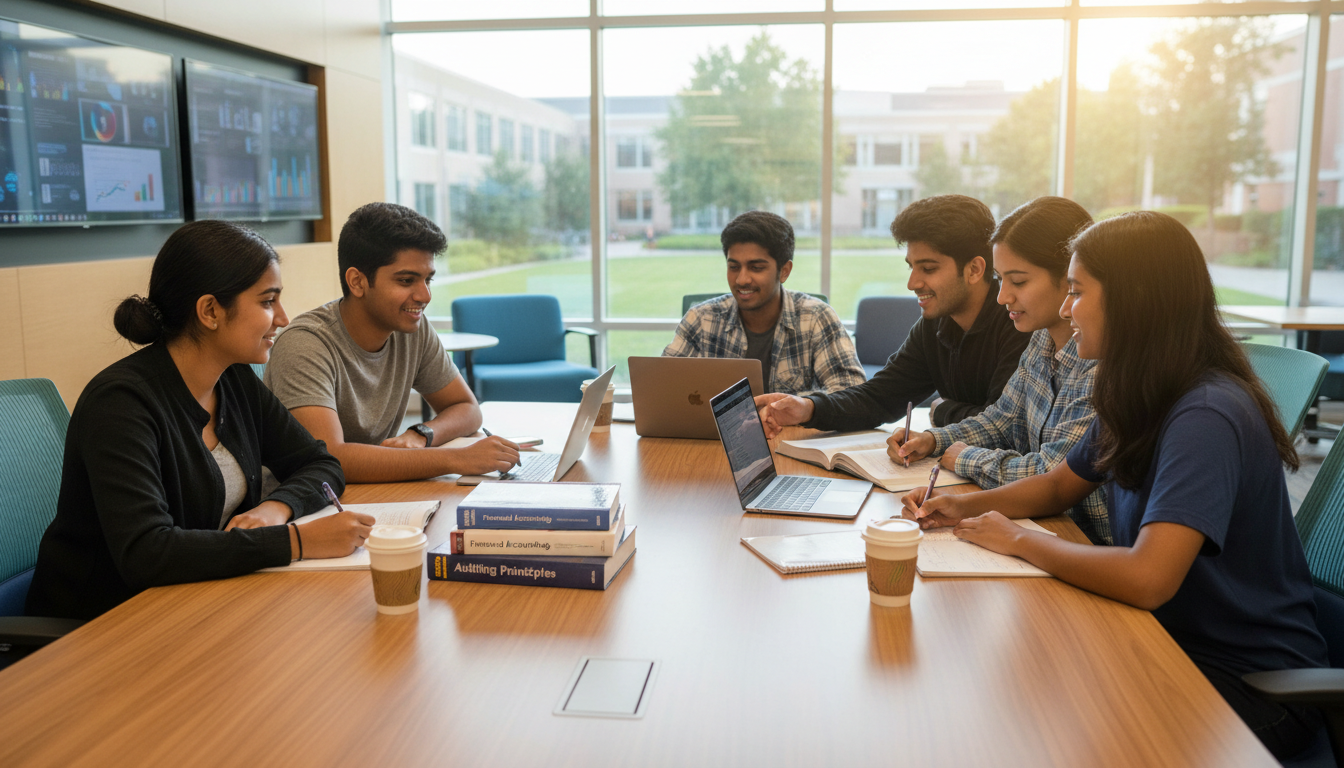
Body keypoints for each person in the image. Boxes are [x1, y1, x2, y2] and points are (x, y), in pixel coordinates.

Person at [902, 211, 1327, 760]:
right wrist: (959, 507)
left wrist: (1019, 540)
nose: (1065, 309)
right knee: (1007, 694)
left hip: (1244, 683)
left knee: (1032, 726)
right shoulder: (1139, 390)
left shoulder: (1204, 413)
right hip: (1165, 641)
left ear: (1134, 299)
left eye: (1077, 292)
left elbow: (1149, 577)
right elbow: (1058, 488)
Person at [26, 221, 371, 621]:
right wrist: (294, 541)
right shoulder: (121, 403)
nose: (282, 318)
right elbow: (147, 553)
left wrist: (277, 509)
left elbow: (320, 463)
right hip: (103, 626)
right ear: (210, 311)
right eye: (267, 301)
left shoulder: (235, 379)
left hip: (198, 601)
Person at [887, 197, 1110, 544]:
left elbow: (1052, 474)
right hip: (1044, 528)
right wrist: (933, 440)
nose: (1002, 296)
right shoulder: (1041, 340)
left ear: (1070, 277)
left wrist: (966, 458)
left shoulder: (1101, 366)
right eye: (1000, 279)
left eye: (1017, 282)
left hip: (1084, 543)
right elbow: (1002, 419)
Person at [264, 203, 520, 483]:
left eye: (428, 280)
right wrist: (458, 459)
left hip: (374, 494)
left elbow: (467, 408)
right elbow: (329, 459)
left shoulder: (412, 329)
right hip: (304, 505)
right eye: (407, 280)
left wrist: (421, 434)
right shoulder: (305, 344)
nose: (424, 296)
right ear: (357, 282)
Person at [754, 194, 1030, 437]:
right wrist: (808, 407)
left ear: (974, 270)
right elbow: (880, 398)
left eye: (928, 269)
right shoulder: (934, 326)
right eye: (911, 267)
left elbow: (1001, 426)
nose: (913, 283)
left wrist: (943, 410)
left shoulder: (1018, 323)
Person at [663, 210, 864, 396]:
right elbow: (662, 387)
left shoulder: (817, 318)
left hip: (790, 435)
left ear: (784, 271)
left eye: (756, 268)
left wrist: (795, 406)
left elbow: (852, 393)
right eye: (734, 267)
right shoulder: (700, 319)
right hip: (713, 435)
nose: (741, 279)